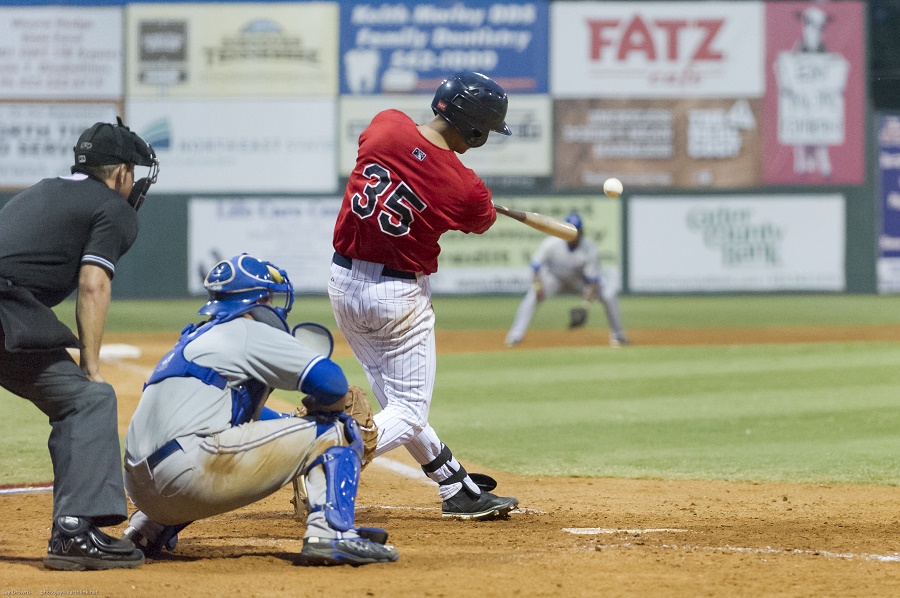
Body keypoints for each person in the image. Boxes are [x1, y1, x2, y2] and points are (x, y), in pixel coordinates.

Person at [121, 254, 399, 566]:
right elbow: (334, 384)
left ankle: (147, 530)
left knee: (213, 438)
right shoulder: (246, 330)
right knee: (337, 426)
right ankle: (330, 533)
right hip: (186, 476)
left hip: (142, 490)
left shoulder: (194, 338)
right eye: (270, 298)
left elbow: (231, 419)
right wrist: (320, 419)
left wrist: (290, 428)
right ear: (259, 299)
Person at [327, 71, 519, 520]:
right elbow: (479, 219)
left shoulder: (384, 123)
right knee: (409, 411)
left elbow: (407, 161)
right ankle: (324, 455)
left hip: (342, 284)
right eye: (486, 129)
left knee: (397, 403)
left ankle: (456, 487)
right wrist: (477, 196)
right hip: (396, 298)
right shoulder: (466, 187)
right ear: (473, 128)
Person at [0, 119, 159, 570]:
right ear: (122, 172)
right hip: (4, 307)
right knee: (87, 398)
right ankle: (73, 533)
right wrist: (91, 365)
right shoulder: (114, 208)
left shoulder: (42, 190)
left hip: (9, 308)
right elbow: (93, 285)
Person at [505, 212, 629, 348]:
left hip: (579, 282)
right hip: (555, 279)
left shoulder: (589, 248)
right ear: (562, 229)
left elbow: (593, 281)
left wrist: (585, 306)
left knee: (609, 294)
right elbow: (536, 266)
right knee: (532, 296)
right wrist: (538, 286)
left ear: (582, 232)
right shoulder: (551, 243)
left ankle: (619, 336)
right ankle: (515, 336)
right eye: (570, 229)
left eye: (577, 230)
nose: (574, 234)